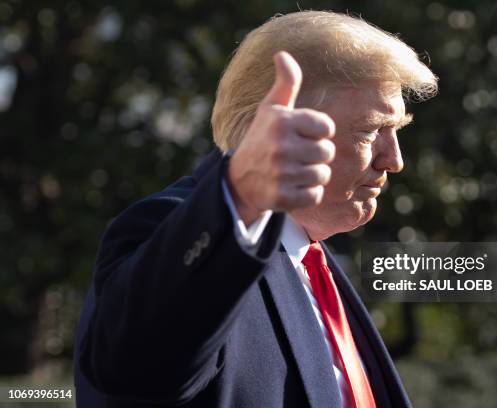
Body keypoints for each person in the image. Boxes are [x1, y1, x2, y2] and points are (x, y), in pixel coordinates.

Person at [74, 10, 437, 408]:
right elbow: (132, 371)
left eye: (397, 130)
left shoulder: (314, 261)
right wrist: (239, 197)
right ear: (278, 127)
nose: (394, 160)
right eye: (370, 130)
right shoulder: (185, 232)